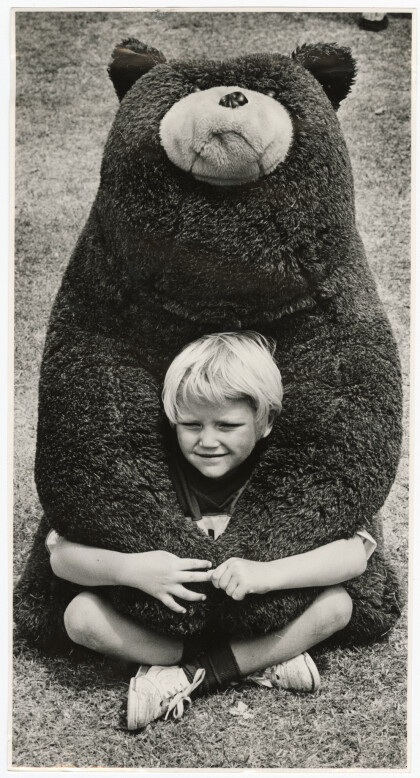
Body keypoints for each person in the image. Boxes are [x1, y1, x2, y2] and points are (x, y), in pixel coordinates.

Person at [47, 332, 376, 730]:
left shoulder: (285, 472)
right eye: (191, 424)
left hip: (259, 617)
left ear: (266, 422)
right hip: (167, 628)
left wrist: (268, 574)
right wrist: (133, 570)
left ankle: (184, 677)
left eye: (227, 425)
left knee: (336, 605)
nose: (207, 441)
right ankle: (255, 661)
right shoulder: (152, 470)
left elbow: (354, 554)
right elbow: (62, 557)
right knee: (81, 616)